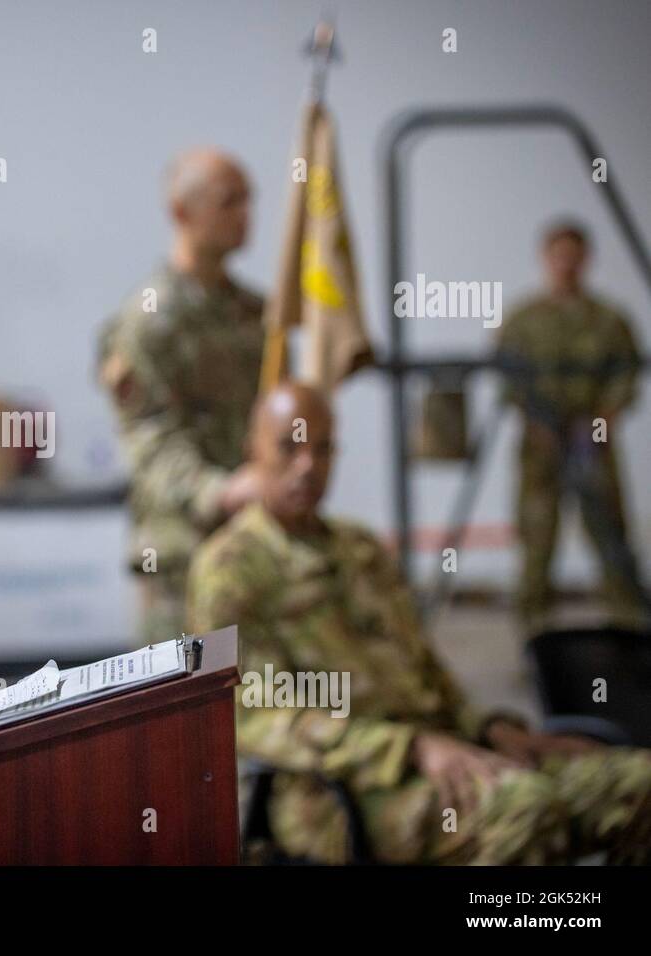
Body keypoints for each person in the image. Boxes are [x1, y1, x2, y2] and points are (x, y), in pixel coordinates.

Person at [187, 382, 651, 864]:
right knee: (526, 808)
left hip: (444, 750)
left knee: (635, 784)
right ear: (252, 451)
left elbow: (424, 669)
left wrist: (490, 728)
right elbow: (248, 714)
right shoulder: (230, 567)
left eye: (322, 449)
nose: (308, 465)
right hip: (341, 789)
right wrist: (408, 747)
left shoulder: (361, 548)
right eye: (289, 446)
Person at [98, 149, 265, 642]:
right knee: (178, 711)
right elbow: (151, 440)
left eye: (248, 200)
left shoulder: (253, 315)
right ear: (181, 213)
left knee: (258, 709)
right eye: (229, 201)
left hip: (251, 544)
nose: (245, 215)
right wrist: (221, 492)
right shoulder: (152, 319)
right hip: (182, 557)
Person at [497, 221, 646, 628]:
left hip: (592, 442)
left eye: (574, 255)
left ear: (586, 259)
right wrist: (538, 423)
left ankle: (631, 622)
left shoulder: (610, 320)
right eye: (558, 255)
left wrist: (603, 420)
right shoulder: (522, 319)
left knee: (610, 532)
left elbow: (627, 374)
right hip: (540, 445)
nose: (566, 264)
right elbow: (507, 379)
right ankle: (534, 629)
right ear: (545, 258)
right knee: (537, 535)